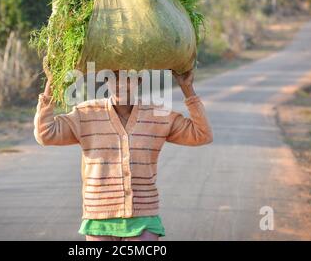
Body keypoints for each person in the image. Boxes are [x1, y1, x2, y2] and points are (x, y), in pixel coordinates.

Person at [34, 62, 213, 241]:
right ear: (106, 81)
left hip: (143, 217)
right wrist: (51, 83)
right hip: (99, 217)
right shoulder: (86, 114)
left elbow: (202, 135)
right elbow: (45, 134)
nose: (121, 85)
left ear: (140, 80)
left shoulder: (159, 115)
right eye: (115, 78)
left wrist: (188, 89)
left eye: (129, 78)